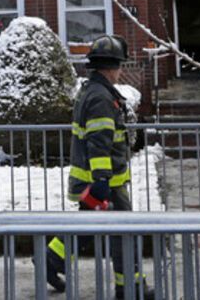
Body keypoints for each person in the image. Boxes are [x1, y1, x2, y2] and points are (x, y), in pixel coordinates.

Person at [44, 34, 154, 299]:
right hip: (106, 181)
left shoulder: (94, 91)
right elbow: (99, 142)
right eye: (119, 66)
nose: (120, 72)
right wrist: (102, 180)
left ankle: (52, 258)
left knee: (87, 226)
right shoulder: (101, 98)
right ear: (111, 66)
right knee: (123, 232)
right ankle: (130, 286)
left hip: (99, 179)